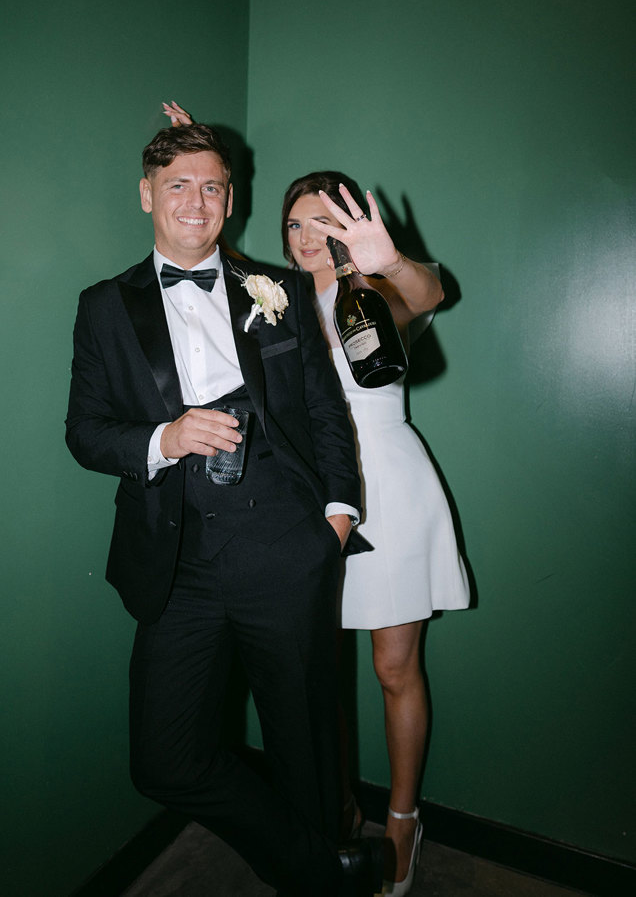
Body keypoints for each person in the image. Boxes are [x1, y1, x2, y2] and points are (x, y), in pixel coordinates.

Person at [65, 123, 383, 897]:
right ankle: (320, 869)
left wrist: (335, 521)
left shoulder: (276, 290)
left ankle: (312, 882)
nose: (196, 201)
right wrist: (163, 438)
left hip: (285, 544)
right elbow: (84, 432)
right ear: (146, 196)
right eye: (178, 184)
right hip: (175, 561)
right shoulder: (104, 305)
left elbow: (323, 411)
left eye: (212, 186)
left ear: (230, 200)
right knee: (163, 760)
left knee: (306, 750)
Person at [281, 172, 470, 897]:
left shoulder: (374, 295)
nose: (306, 239)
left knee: (394, 670)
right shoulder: (281, 305)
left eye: (322, 223)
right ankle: (335, 807)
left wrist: (387, 261)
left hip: (387, 482)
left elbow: (431, 293)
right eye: (294, 226)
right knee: (315, 674)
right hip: (311, 499)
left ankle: (401, 819)